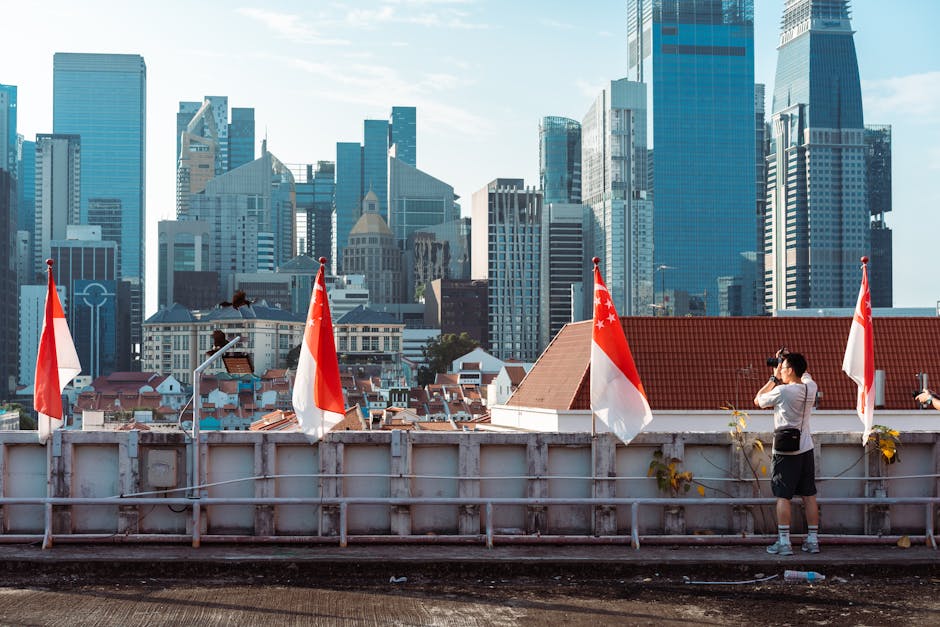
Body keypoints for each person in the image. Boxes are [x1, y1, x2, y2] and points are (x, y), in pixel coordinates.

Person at [753, 351, 820, 555]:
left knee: (783, 496)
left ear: (790, 370)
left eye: (782, 368)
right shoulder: (810, 387)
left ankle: (784, 542)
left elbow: (758, 400)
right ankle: (813, 540)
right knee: (809, 495)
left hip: (785, 452)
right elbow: (805, 374)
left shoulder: (782, 391)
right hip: (806, 448)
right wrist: (789, 359)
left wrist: (773, 379)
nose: (780, 370)